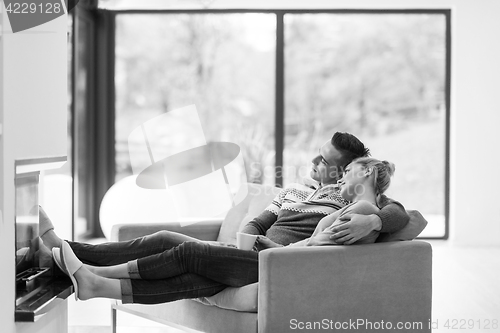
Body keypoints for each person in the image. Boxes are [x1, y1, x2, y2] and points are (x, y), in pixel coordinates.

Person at [50, 157, 397, 304]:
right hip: (272, 257)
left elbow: (323, 251)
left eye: (349, 171)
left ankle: (96, 274)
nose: (342, 176)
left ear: (366, 173)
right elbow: (318, 243)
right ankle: (92, 282)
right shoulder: (354, 207)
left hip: (278, 265)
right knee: (194, 279)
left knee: (188, 253)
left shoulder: (365, 210)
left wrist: (376, 219)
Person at [39, 132, 409, 260]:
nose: (313, 161)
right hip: (246, 249)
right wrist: (246, 234)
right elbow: (260, 220)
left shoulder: (347, 201)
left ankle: (64, 252)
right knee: (164, 242)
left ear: (346, 170)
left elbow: (401, 212)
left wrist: (375, 218)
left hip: (269, 258)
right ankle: (66, 254)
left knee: (168, 242)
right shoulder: (295, 190)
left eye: (327, 162)